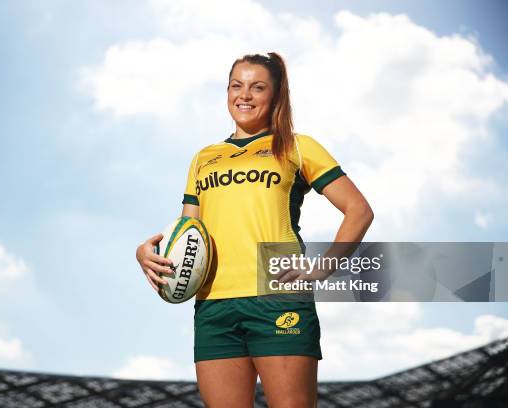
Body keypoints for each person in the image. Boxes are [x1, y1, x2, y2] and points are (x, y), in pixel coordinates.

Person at [136, 52, 373, 408]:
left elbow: (358, 210)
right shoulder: (203, 157)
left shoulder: (297, 146)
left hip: (277, 291)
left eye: (257, 87)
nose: (244, 95)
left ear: (275, 96)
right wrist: (147, 253)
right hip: (213, 303)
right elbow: (189, 230)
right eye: (236, 86)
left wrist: (323, 267)